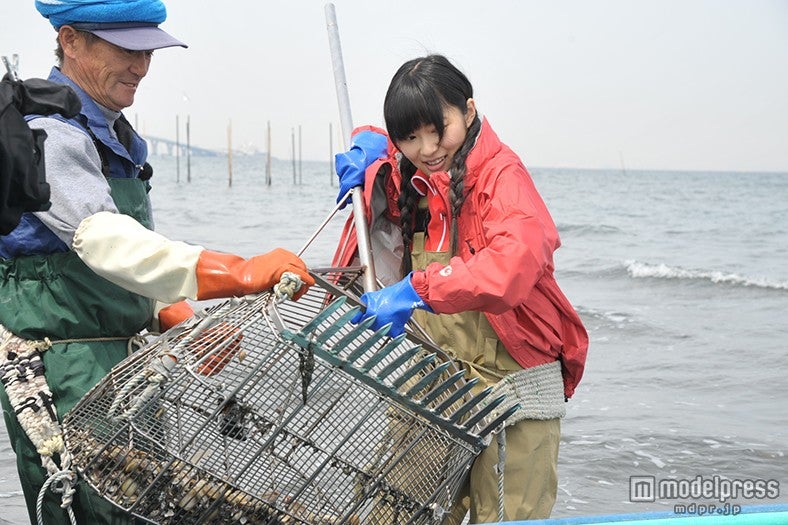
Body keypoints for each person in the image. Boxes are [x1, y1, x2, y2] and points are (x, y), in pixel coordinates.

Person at [0, 1, 315, 523]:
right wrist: (231, 272)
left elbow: (118, 261)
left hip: (123, 362)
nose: (142, 66)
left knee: (143, 506)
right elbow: (101, 239)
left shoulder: (116, 134)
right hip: (63, 367)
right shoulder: (50, 133)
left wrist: (168, 309)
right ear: (71, 40)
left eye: (147, 50)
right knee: (92, 510)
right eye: (126, 49)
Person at [332, 54, 589, 523]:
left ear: (468, 112)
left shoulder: (502, 177)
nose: (427, 148)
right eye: (410, 137)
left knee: (508, 515)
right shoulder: (416, 174)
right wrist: (369, 150)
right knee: (402, 509)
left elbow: (513, 265)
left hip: (514, 385)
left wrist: (419, 290)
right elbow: (381, 144)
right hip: (438, 376)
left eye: (438, 129)